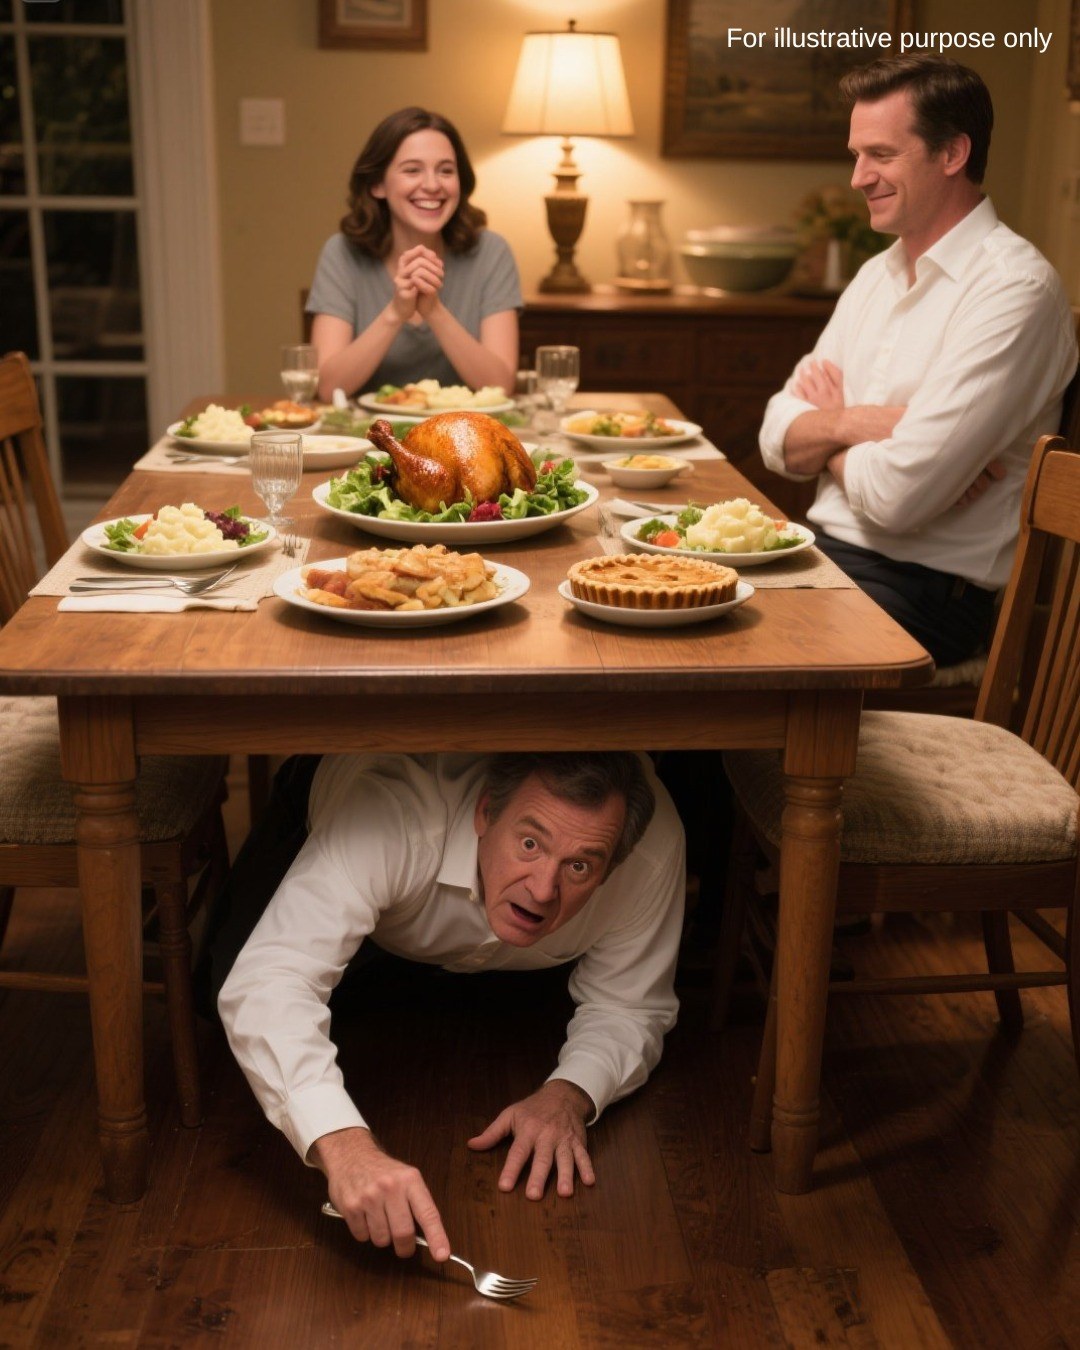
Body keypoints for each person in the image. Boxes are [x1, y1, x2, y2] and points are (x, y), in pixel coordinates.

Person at [216, 751, 685, 1264]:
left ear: (612, 864)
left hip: (519, 971)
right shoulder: (387, 819)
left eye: (579, 866)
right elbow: (270, 982)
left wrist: (570, 1093)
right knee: (220, 983)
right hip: (366, 870)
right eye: (530, 844)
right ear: (485, 812)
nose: (542, 890)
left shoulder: (650, 852)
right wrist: (345, 1147)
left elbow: (628, 1006)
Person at [760, 54, 1077, 666]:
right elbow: (777, 437)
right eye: (857, 155)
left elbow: (897, 497)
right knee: (664, 606)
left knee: (708, 662)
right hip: (819, 559)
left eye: (880, 154)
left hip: (922, 597)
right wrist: (867, 425)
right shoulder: (876, 275)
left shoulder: (1014, 290)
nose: (858, 177)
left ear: (952, 153)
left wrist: (828, 440)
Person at [307, 106, 521, 401]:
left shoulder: (491, 252)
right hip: (369, 429)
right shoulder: (342, 253)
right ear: (377, 184)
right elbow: (328, 388)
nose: (432, 185)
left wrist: (433, 311)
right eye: (412, 170)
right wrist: (396, 313)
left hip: (462, 428)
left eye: (446, 171)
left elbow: (500, 386)